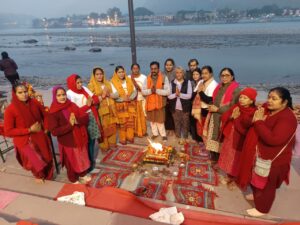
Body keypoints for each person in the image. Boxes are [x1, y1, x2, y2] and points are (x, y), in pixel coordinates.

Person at [241, 87, 297, 217]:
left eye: (274, 99)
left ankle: (262, 209)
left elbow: (274, 139)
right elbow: (253, 119)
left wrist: (259, 122)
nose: (269, 101)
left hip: (274, 160)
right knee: (257, 179)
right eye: (269, 97)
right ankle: (256, 197)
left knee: (267, 186)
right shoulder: (269, 110)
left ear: (284, 102)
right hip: (261, 155)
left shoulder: (287, 118)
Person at [4, 83, 53, 182]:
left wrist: (46, 128)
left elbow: (46, 115)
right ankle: (39, 176)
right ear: (15, 94)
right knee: (36, 162)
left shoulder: (34, 102)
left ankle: (48, 177)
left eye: (25, 92)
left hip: (39, 136)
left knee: (47, 158)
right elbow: (8, 131)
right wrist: (29, 130)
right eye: (20, 92)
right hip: (24, 140)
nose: (24, 94)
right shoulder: (10, 109)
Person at [48, 86, 91, 183]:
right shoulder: (53, 112)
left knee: (81, 158)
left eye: (63, 94)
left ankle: (82, 174)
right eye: (59, 95)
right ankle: (73, 178)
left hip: (79, 138)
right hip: (67, 141)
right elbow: (54, 131)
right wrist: (70, 125)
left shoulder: (72, 105)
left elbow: (84, 116)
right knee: (71, 161)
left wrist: (77, 121)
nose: (62, 97)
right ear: (55, 97)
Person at [218, 87, 257, 189]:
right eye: (241, 97)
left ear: (251, 100)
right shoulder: (236, 107)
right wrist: (231, 117)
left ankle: (234, 178)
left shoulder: (253, 112)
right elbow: (224, 116)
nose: (241, 99)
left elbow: (248, 127)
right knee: (229, 157)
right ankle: (229, 176)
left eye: (245, 98)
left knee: (238, 159)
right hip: (231, 137)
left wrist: (236, 119)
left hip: (241, 140)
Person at [204, 68, 240, 164]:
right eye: (222, 75)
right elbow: (216, 100)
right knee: (213, 136)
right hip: (215, 116)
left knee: (221, 138)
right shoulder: (219, 87)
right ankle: (214, 158)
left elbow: (234, 107)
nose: (224, 77)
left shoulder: (236, 90)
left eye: (227, 75)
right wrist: (212, 105)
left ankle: (219, 160)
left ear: (232, 77)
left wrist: (218, 109)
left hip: (224, 118)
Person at [66, 74, 101, 172]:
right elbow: (74, 112)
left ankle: (91, 160)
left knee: (92, 140)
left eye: (81, 82)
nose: (80, 84)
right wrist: (87, 105)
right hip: (80, 120)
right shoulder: (69, 94)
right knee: (84, 142)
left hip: (91, 116)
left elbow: (95, 98)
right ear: (72, 83)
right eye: (77, 83)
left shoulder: (84, 89)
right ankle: (87, 163)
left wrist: (91, 102)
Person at [88, 67, 118, 151]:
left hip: (111, 108)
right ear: (94, 75)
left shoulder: (108, 83)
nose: (99, 76)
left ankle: (112, 143)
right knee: (103, 128)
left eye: (101, 74)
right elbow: (91, 100)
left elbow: (116, 94)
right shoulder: (91, 86)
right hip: (100, 110)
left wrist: (109, 95)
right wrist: (102, 95)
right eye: (97, 74)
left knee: (112, 126)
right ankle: (104, 146)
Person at [142, 61, 170, 142]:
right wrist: (151, 91)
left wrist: (156, 91)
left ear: (158, 69)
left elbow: (168, 92)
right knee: (152, 121)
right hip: (150, 103)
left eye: (155, 68)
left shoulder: (164, 78)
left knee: (160, 121)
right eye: (152, 69)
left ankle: (163, 135)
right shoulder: (147, 79)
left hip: (160, 103)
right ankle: (155, 134)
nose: (153, 70)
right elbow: (143, 91)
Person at [111, 66, 137, 145]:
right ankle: (123, 139)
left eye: (122, 72)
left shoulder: (128, 80)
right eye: (119, 72)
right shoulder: (112, 82)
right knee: (122, 123)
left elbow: (135, 91)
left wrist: (130, 98)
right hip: (120, 105)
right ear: (116, 73)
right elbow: (113, 95)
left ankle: (130, 137)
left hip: (130, 103)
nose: (121, 74)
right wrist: (123, 99)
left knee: (130, 121)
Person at [192, 66, 218, 140]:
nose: (203, 75)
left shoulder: (214, 84)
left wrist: (200, 92)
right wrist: (199, 91)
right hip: (200, 109)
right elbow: (193, 93)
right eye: (202, 73)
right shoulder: (201, 82)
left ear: (211, 74)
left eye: (206, 73)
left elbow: (209, 100)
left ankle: (206, 147)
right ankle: (202, 145)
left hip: (208, 110)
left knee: (206, 130)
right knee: (200, 129)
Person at [168, 67, 192, 145]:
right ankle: (178, 137)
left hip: (185, 107)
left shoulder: (187, 82)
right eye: (177, 72)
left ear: (183, 74)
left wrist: (180, 94)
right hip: (175, 107)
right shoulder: (172, 83)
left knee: (185, 123)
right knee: (177, 123)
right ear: (175, 74)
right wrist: (175, 94)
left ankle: (184, 138)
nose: (178, 74)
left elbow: (189, 96)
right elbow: (169, 96)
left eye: (180, 72)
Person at [129, 63, 147, 137]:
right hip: (132, 100)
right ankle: (135, 132)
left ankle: (143, 131)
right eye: (134, 68)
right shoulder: (129, 77)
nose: (135, 70)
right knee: (134, 117)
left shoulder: (144, 77)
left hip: (142, 99)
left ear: (139, 69)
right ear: (131, 69)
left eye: (137, 68)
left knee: (143, 116)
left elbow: (146, 88)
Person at [163, 58, 176, 136]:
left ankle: (172, 129)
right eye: (167, 65)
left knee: (172, 113)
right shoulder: (162, 74)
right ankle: (167, 128)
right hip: (164, 96)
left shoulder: (175, 74)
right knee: (166, 113)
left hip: (173, 96)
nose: (168, 66)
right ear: (165, 66)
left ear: (173, 65)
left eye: (170, 65)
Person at [190, 68, 203, 143]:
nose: (195, 76)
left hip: (198, 106)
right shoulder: (192, 82)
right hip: (192, 105)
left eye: (197, 74)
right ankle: (195, 138)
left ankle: (199, 139)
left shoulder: (201, 83)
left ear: (200, 75)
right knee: (193, 122)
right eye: (193, 74)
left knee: (198, 122)